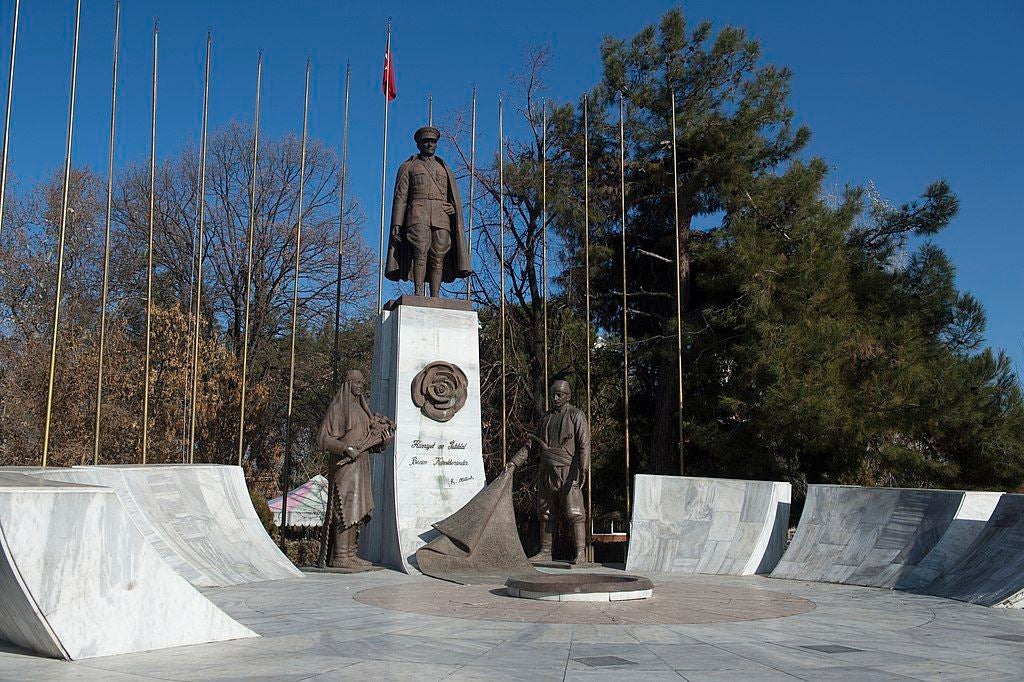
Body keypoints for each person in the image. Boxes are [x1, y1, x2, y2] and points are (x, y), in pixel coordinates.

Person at [505, 379, 591, 564]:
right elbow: (531, 444)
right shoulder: (546, 417)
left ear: (568, 396)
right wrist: (514, 463)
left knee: (575, 513)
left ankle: (581, 554)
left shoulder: (576, 415)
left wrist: (584, 467)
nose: (555, 397)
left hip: (568, 472)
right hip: (547, 471)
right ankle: (545, 551)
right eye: (553, 394)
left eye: (559, 394)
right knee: (545, 512)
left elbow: (584, 444)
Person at [316, 370, 395, 569]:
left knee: (357, 509)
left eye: (362, 382)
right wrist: (344, 448)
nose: (361, 386)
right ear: (348, 383)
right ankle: (340, 556)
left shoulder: (362, 409)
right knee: (344, 509)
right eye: (357, 382)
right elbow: (323, 439)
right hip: (345, 468)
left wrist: (384, 443)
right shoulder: (338, 408)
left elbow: (370, 442)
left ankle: (350, 554)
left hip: (361, 466)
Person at [384, 126, 472, 297]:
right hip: (418, 214)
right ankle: (418, 293)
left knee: (438, 256)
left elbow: (453, 197)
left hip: (441, 216)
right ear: (419, 145)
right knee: (420, 252)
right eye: (426, 141)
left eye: (433, 142)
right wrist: (396, 222)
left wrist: (454, 208)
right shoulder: (409, 167)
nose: (430, 144)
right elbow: (400, 197)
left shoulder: (445, 169)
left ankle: (435, 296)